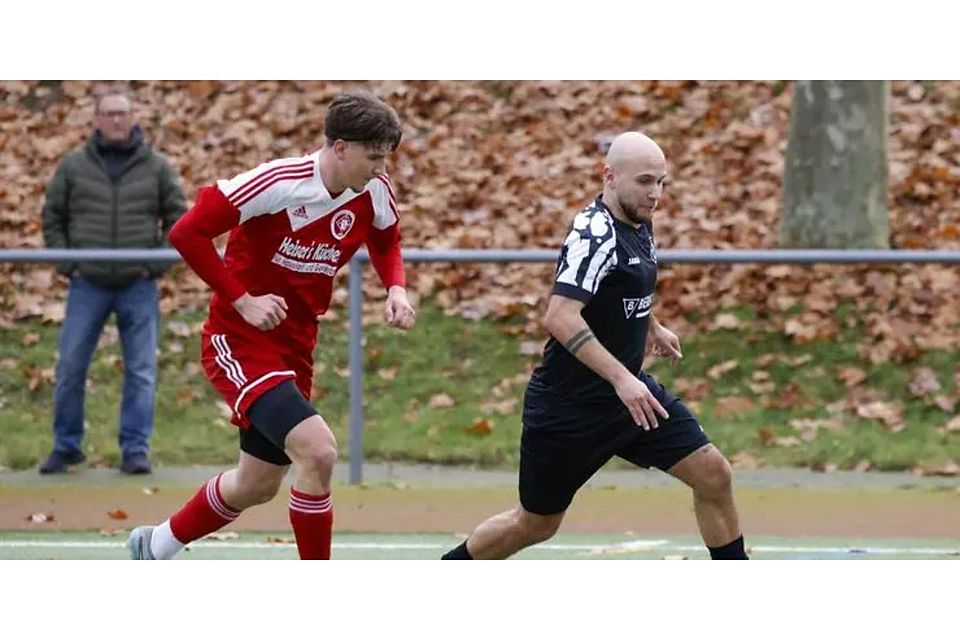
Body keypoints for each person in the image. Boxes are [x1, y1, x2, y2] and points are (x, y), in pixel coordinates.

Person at [127, 90, 415, 560]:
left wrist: (397, 289)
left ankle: (155, 545)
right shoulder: (277, 182)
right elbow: (187, 232)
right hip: (239, 340)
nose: (382, 170)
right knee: (318, 452)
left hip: (295, 348)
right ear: (340, 147)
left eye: (386, 158)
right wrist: (242, 301)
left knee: (256, 484)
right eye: (374, 157)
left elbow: (386, 240)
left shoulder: (373, 192)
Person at [441, 132, 749, 560]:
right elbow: (561, 316)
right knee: (535, 524)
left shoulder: (639, 221)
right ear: (609, 176)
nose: (655, 193)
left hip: (630, 403)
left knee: (713, 473)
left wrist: (650, 326)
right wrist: (624, 378)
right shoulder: (593, 232)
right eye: (645, 181)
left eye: (662, 182)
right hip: (569, 411)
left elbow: (617, 285)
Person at [39, 90, 187, 475]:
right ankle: (66, 446)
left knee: (140, 370)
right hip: (87, 284)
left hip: (138, 284)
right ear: (96, 120)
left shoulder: (156, 166)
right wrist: (67, 262)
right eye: (108, 114)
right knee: (71, 366)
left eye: (122, 113)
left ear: (133, 117)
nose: (116, 120)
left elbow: (179, 219)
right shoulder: (73, 167)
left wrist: (154, 265)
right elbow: (52, 216)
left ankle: (135, 449)